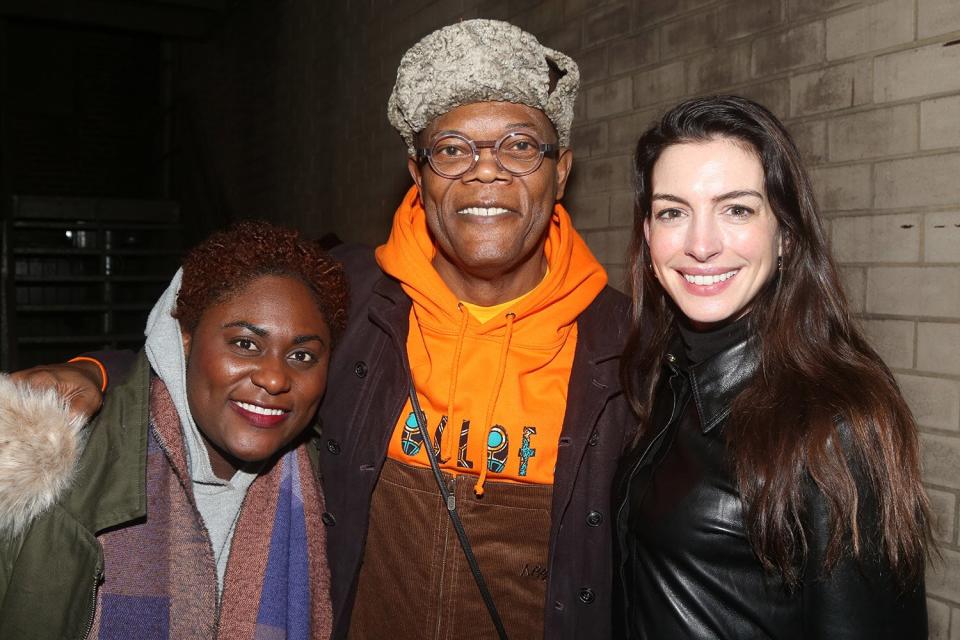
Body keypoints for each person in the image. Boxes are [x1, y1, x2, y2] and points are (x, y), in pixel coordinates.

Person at [7, 19, 633, 640]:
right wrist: (93, 372)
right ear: (419, 173)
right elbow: (214, 345)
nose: (485, 171)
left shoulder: (629, 345)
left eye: (521, 145)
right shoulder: (349, 295)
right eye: (452, 148)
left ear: (562, 170)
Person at [613, 95, 933, 638]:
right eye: (673, 211)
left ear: (784, 232)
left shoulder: (835, 423)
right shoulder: (666, 378)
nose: (700, 244)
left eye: (736, 208)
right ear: (648, 235)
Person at [0, 221, 347, 639]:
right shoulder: (50, 464)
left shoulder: (334, 477)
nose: (274, 378)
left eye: (302, 354)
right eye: (245, 344)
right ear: (182, 337)